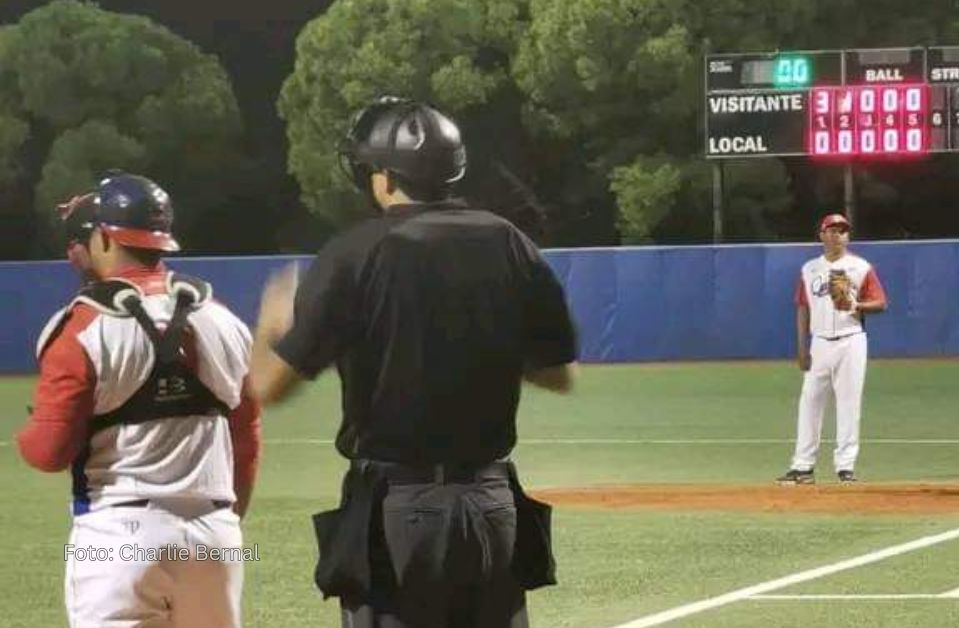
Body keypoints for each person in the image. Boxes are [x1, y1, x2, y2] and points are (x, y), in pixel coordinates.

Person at [248, 97, 578, 627]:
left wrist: (269, 327)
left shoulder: (355, 253)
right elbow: (559, 374)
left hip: (398, 509)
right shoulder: (509, 241)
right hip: (492, 503)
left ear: (383, 177)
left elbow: (269, 386)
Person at [16, 173, 261, 627]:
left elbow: (48, 452)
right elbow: (246, 437)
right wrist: (225, 523)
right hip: (214, 534)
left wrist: (26, 434)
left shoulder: (82, 327)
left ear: (106, 238)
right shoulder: (224, 320)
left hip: (120, 535)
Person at [777, 213, 887, 485]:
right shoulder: (809, 269)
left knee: (849, 403)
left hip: (851, 340)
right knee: (810, 402)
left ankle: (845, 467)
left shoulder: (860, 267)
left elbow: (881, 302)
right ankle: (803, 467)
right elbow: (802, 308)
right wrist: (802, 348)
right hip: (820, 341)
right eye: (832, 230)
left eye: (842, 231)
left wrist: (857, 306)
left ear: (847, 237)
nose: (837, 235)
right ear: (822, 235)